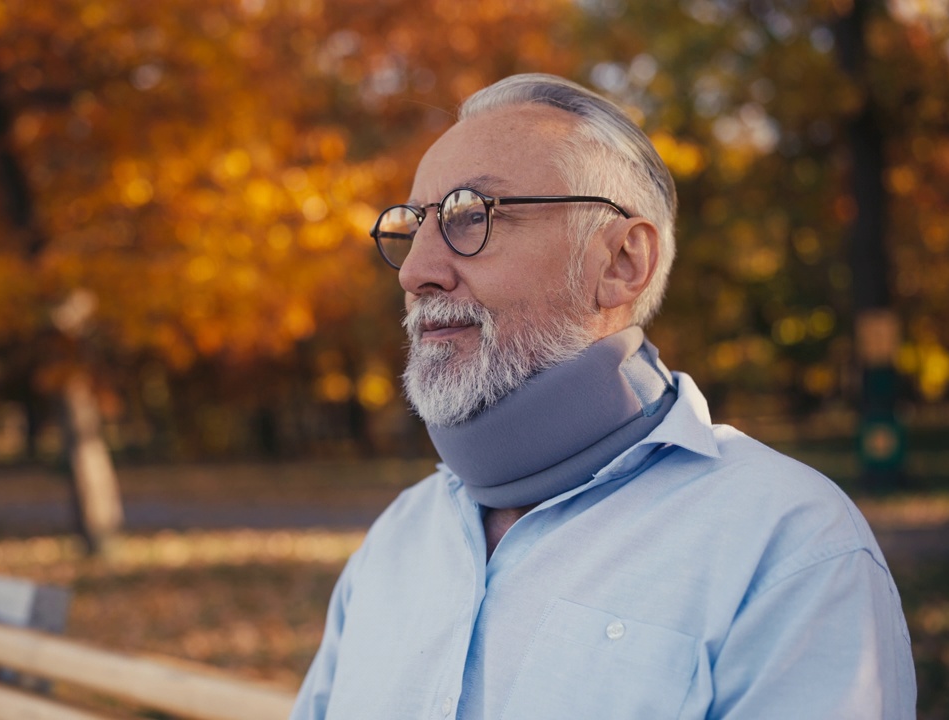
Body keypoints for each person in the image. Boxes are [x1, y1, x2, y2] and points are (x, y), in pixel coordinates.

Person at [290, 74, 915, 719]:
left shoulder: (788, 544)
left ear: (621, 262)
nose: (418, 271)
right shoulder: (399, 540)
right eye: (414, 227)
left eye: (471, 215)